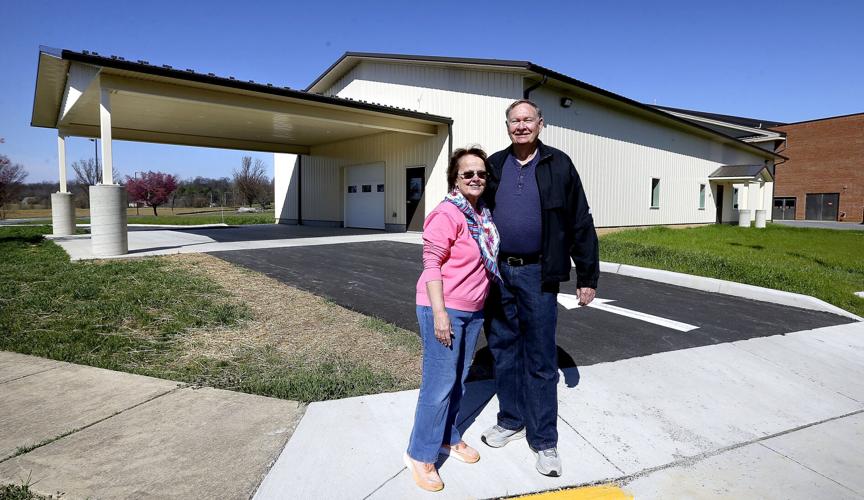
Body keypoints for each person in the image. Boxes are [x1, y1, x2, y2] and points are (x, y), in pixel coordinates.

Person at [480, 99, 599, 477]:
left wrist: (587, 276)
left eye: (527, 119)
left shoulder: (558, 164)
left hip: (538, 274)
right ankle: (511, 419)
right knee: (503, 349)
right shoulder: (495, 165)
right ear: (507, 126)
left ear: (541, 124)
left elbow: (580, 220)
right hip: (499, 274)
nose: (521, 126)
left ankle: (545, 441)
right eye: (514, 120)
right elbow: (472, 212)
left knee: (541, 358)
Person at [404, 147, 501, 492]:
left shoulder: (481, 215)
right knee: (439, 384)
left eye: (481, 173)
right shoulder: (448, 213)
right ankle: (420, 454)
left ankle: (447, 437)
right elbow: (431, 264)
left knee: (458, 380)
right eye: (467, 173)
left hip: (472, 311)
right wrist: (440, 314)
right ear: (455, 179)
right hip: (442, 309)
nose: (476, 178)